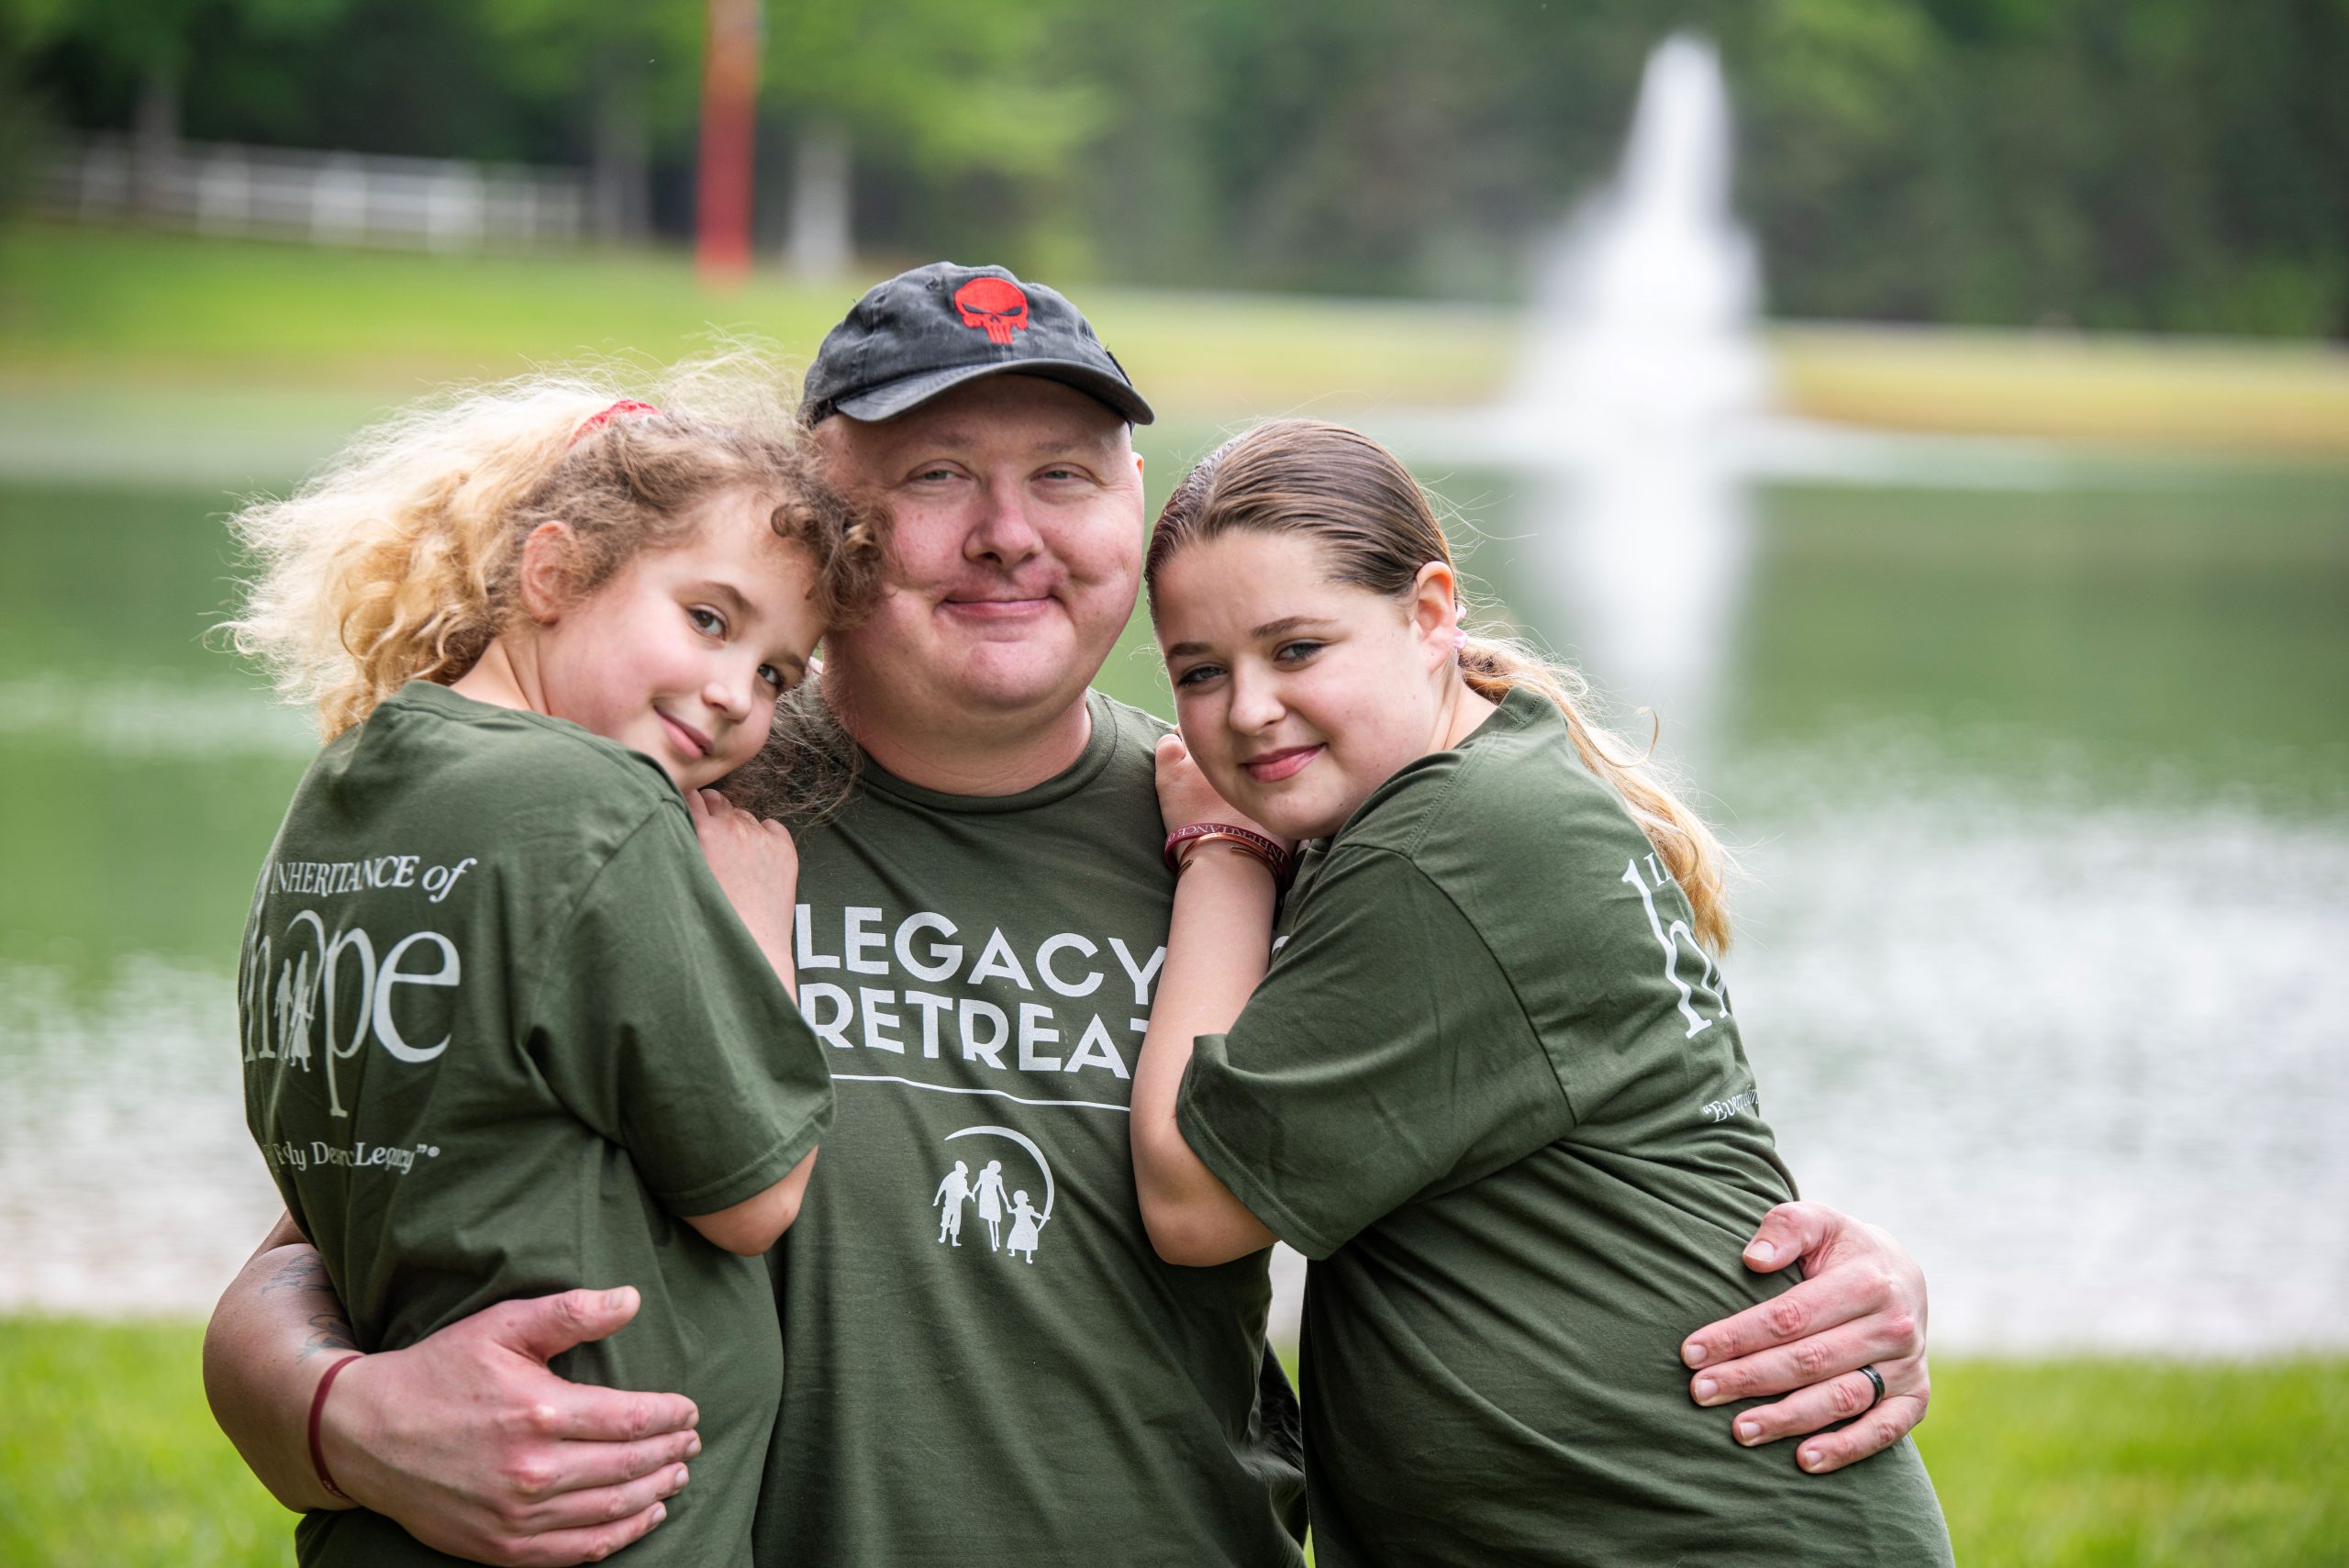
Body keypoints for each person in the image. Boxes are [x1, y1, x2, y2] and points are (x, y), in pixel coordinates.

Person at [202, 263, 1939, 1567]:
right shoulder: (659, 807)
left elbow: (1600, 1136)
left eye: (1065, 474)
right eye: (934, 476)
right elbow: (327, 1238)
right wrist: (345, 1419)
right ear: (819, 527)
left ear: (1131, 515)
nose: (1006, 534)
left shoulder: (1279, 827)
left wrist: (1838, 1275)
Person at [1128, 417, 1954, 1563]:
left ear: (1430, 614)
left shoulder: (1447, 846)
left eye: (1298, 648)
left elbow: (1193, 1203)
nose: (1248, 707)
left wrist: (1222, 848)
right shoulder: (1480, 786)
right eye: (1199, 671)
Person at [218, 358, 881, 1564]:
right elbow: (756, 1194)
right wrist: (756, 925)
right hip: (603, 1529)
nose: (736, 697)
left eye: (777, 673)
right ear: (555, 572)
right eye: (709, 618)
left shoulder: (346, 789)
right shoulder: (600, 804)